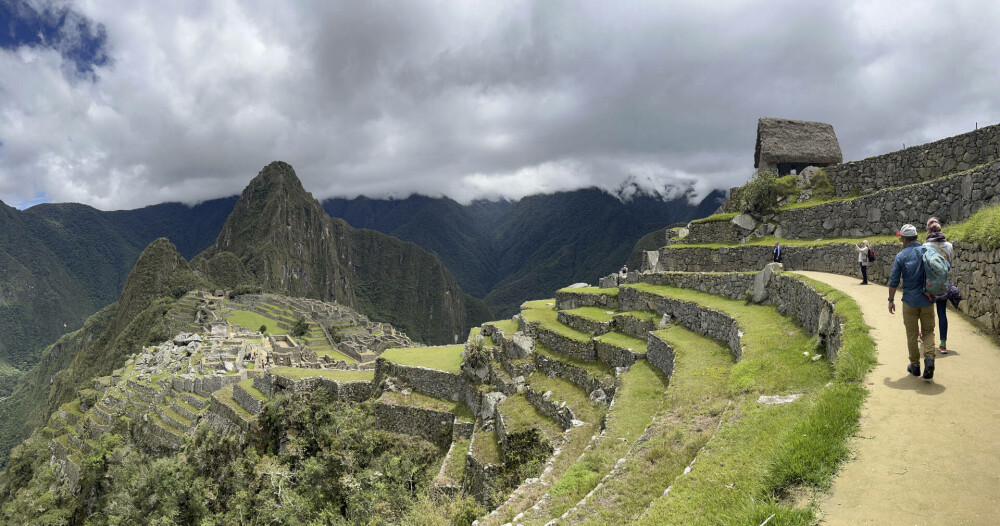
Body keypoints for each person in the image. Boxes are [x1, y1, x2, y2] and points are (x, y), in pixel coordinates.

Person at [888, 224, 936, 379]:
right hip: (927, 299)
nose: (900, 240)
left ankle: (915, 365)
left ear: (905, 239)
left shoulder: (901, 256)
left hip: (909, 301)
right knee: (928, 331)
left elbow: (894, 280)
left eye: (901, 237)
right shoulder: (927, 250)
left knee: (912, 334)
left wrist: (891, 300)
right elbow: (946, 266)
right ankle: (929, 359)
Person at [924, 217, 958, 353]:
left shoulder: (925, 246)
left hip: (929, 283)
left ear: (928, 229)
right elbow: (950, 263)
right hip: (944, 283)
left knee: (925, 312)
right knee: (942, 313)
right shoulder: (949, 246)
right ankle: (943, 344)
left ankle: (924, 336)